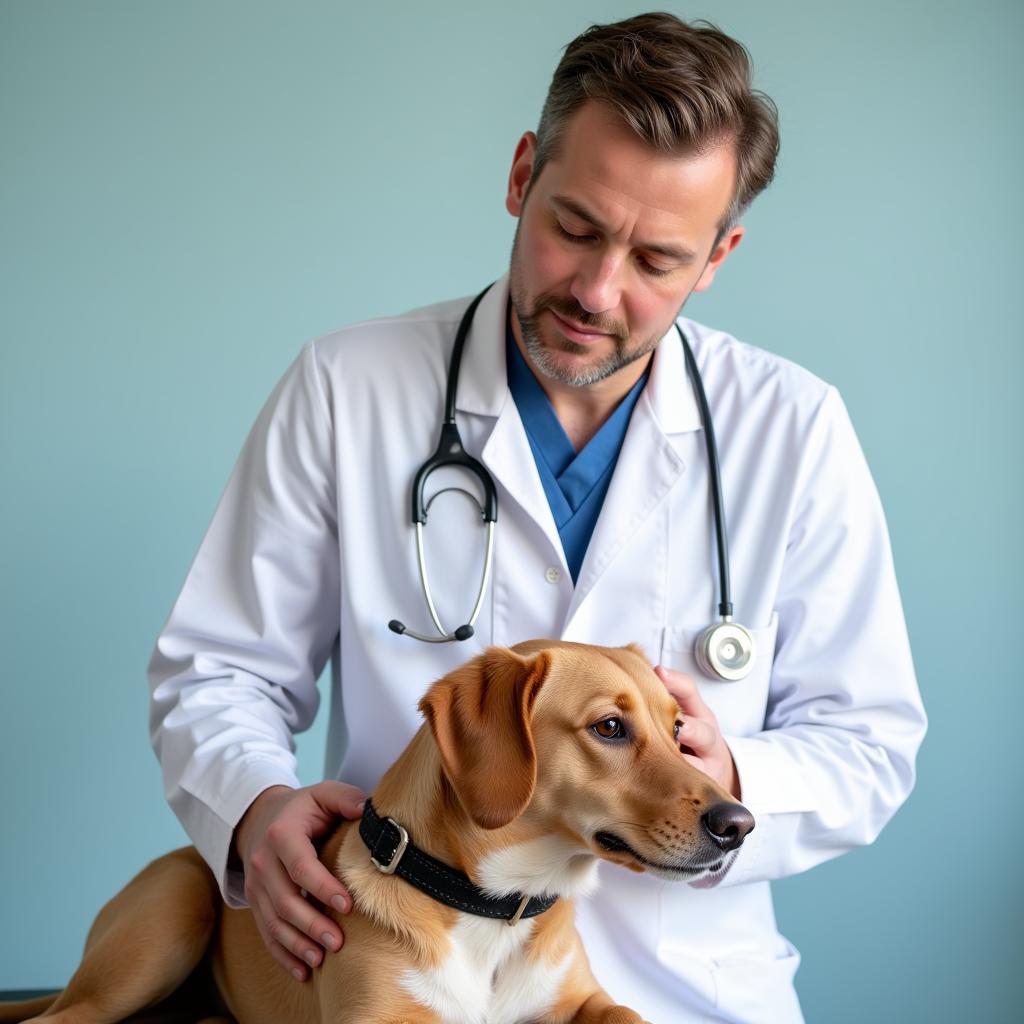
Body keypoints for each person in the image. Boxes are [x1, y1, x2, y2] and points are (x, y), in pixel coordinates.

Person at [148, 12, 926, 1022]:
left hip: (683, 990)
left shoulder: (794, 429)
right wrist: (255, 806)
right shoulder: (349, 387)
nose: (597, 291)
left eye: (656, 261)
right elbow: (218, 669)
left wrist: (728, 772)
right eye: (576, 227)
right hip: (400, 967)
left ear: (718, 256)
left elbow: (868, 740)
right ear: (522, 177)